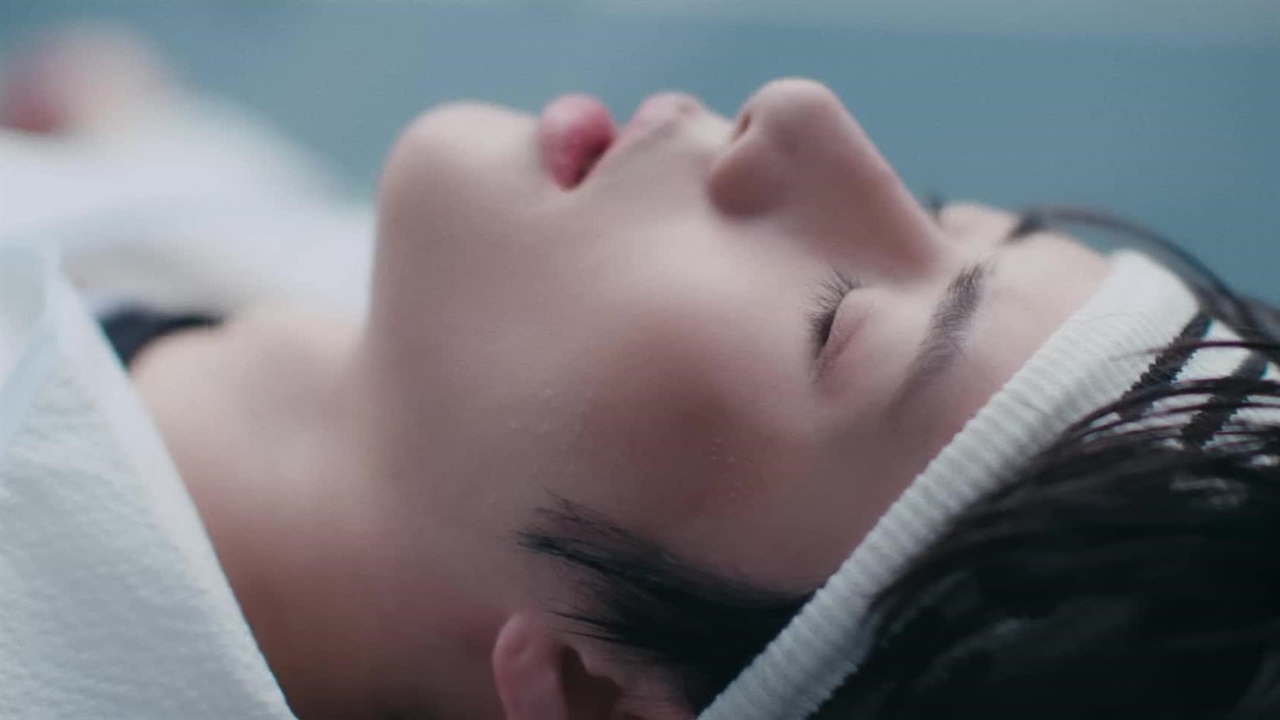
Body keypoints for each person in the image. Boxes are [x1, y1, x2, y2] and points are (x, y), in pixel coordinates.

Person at [2, 29, 1276, 720]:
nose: (802, 115)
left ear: (592, 690)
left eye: (833, 322)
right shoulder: (435, 355)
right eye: (943, 215)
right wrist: (132, 142)